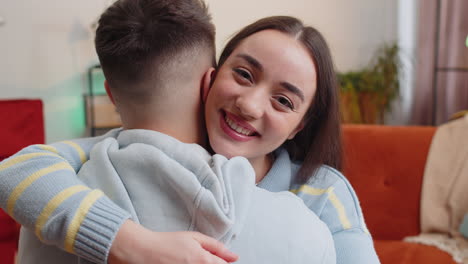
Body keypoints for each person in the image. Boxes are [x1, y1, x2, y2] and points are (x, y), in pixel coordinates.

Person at [0, 1, 380, 264]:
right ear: (210, 78)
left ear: (301, 124)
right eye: (244, 75)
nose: (249, 105)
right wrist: (129, 244)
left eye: (283, 101)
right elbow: (19, 170)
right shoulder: (131, 151)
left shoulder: (322, 193)